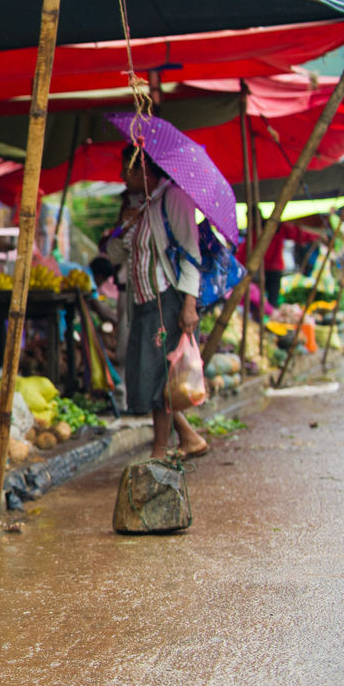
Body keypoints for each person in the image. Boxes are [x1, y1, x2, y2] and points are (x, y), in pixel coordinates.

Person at [106, 145, 210, 462]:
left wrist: (189, 305)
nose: (123, 175)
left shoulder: (174, 199)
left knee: (158, 376)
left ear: (145, 170)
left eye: (128, 169)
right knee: (147, 375)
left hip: (166, 301)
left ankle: (160, 450)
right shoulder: (142, 206)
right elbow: (115, 255)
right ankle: (187, 439)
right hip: (142, 302)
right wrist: (124, 225)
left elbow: (191, 253)